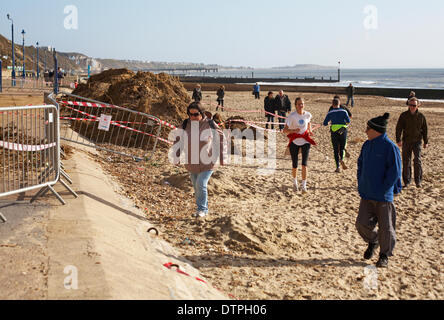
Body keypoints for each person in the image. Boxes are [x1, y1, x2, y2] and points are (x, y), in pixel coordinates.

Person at [356, 113, 402, 268]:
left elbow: (395, 171)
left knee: (386, 228)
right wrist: (361, 182)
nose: (365, 131)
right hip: (366, 193)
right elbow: (360, 164)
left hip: (383, 195)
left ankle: (384, 255)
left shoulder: (390, 147)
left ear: (376, 130)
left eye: (368, 128)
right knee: (361, 224)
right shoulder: (366, 145)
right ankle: (373, 241)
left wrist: (384, 187)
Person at [173, 102, 227, 218]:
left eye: (196, 114)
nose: (192, 117)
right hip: (191, 162)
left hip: (208, 162)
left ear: (202, 114)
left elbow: (221, 139)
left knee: (201, 184)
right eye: (190, 114)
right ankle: (203, 208)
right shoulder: (185, 124)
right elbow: (178, 140)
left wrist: (222, 157)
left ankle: (202, 209)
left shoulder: (210, 124)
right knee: (196, 186)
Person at [283, 97, 316, 193]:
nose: (301, 106)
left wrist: (309, 130)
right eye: (299, 104)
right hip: (295, 141)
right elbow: (284, 130)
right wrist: (293, 130)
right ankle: (295, 183)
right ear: (295, 105)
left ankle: (304, 186)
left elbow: (309, 123)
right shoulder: (292, 116)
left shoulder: (308, 115)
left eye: (302, 104)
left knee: (304, 165)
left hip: (305, 141)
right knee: (295, 165)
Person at [396, 97, 429, 188]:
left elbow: (425, 129)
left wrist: (425, 141)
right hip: (406, 141)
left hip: (417, 142)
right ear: (408, 105)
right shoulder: (403, 115)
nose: (412, 107)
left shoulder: (421, 116)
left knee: (417, 161)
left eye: (414, 105)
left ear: (418, 106)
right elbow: (399, 128)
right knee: (406, 162)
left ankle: (418, 181)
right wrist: (398, 140)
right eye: (410, 105)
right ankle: (407, 181)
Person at [323, 98, 351, 173]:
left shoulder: (330, 112)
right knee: (342, 147)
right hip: (342, 130)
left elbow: (325, 123)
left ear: (332, 104)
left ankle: (337, 167)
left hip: (334, 130)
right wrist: (344, 125)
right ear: (339, 103)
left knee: (335, 150)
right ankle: (342, 159)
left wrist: (329, 123)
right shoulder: (344, 111)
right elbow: (348, 121)